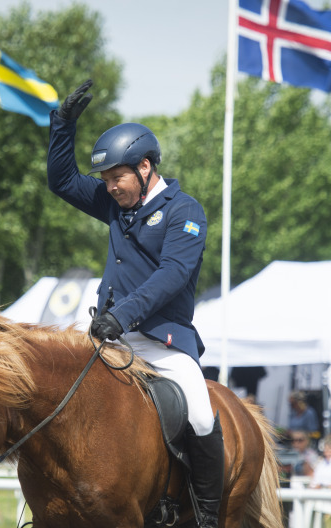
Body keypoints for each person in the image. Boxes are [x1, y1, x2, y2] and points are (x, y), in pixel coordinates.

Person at [47, 79, 223, 528]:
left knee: (201, 415)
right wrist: (61, 126)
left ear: (145, 167)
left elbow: (173, 276)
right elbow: (63, 180)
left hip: (163, 344)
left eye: (116, 177)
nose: (108, 187)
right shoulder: (114, 206)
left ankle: (206, 517)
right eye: (104, 180)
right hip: (110, 338)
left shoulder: (186, 211)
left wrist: (122, 315)